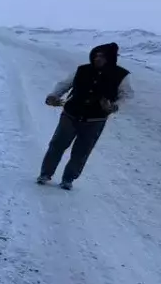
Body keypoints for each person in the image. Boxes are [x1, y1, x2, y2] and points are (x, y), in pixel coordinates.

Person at [37, 42, 133, 189]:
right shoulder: (82, 70)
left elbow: (126, 95)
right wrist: (54, 95)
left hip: (95, 120)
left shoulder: (121, 75)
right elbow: (65, 84)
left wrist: (114, 106)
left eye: (102, 56)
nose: (97, 58)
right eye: (96, 55)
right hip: (70, 114)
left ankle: (68, 179)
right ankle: (45, 174)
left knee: (81, 152)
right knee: (57, 145)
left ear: (110, 58)